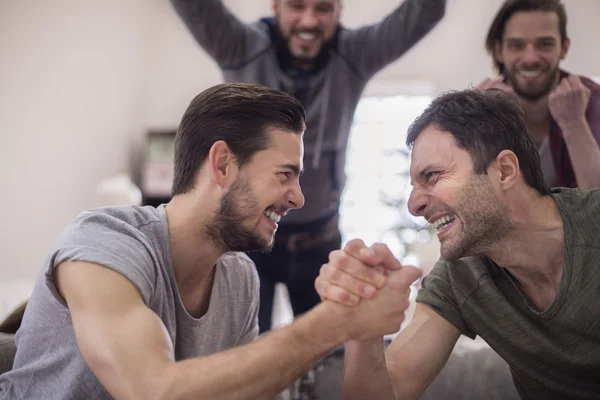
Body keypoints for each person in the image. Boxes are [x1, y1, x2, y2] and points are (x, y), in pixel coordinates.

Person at [0, 83, 421, 400]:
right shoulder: (103, 240)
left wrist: (359, 321)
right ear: (222, 164)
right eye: (284, 174)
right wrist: (334, 322)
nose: (298, 197)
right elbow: (153, 391)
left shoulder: (240, 280)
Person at [170, 0, 447, 332]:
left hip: (320, 242)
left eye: (323, 9)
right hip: (248, 241)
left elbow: (425, 12)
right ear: (276, 8)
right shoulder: (240, 47)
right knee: (247, 351)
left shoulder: (355, 54)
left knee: (327, 353)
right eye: (297, 6)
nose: (309, 20)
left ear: (339, 12)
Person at [315, 89, 600, 399]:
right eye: (413, 185)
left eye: (433, 176)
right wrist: (363, 331)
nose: (414, 205)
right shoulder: (459, 274)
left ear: (504, 171)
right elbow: (390, 391)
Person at [476, 0, 600, 189]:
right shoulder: (479, 108)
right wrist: (479, 126)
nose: (530, 58)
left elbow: (596, 205)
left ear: (564, 48)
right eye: (516, 45)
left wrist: (574, 123)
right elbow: (472, 201)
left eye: (545, 44)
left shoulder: (593, 101)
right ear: (499, 50)